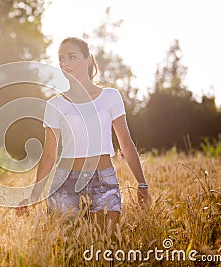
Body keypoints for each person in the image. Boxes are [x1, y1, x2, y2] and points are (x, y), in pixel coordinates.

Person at [17, 37, 150, 232]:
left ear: (88, 60)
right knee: (65, 251)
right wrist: (34, 195)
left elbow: (126, 144)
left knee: (105, 245)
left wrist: (142, 184)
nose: (65, 63)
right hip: (65, 182)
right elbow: (49, 154)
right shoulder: (55, 105)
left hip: (104, 181)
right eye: (61, 58)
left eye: (72, 57)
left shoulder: (111, 97)